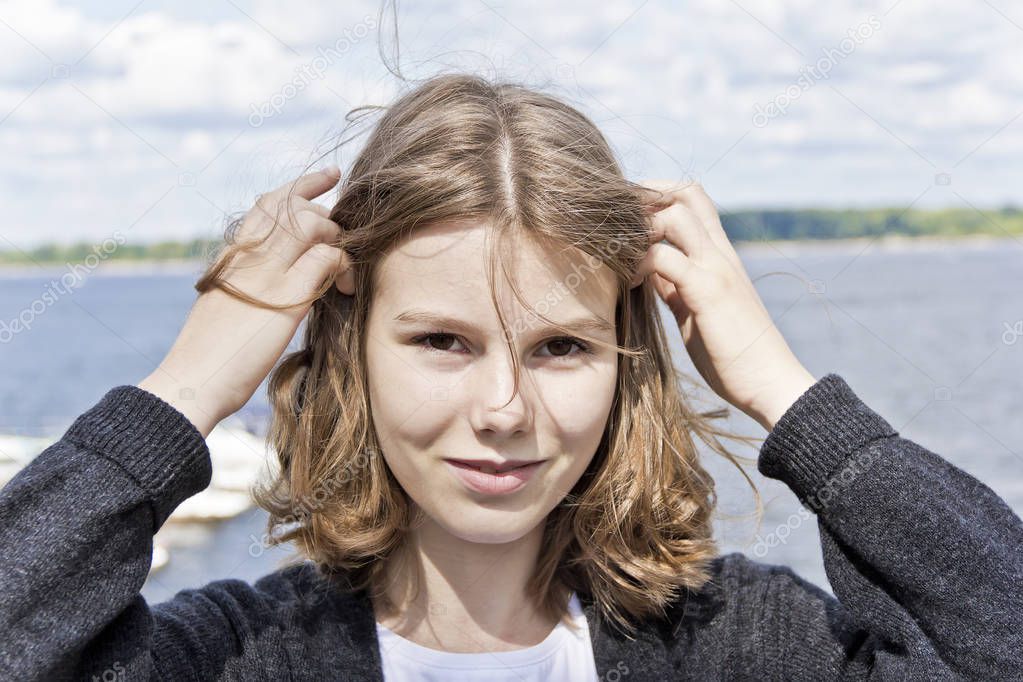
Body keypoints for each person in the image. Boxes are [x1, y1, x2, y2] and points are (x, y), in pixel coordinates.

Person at [0, 73, 1020, 682]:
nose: (503, 411)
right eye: (441, 341)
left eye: (562, 347)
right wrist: (184, 391)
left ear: (627, 364)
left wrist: (784, 391)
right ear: (352, 351)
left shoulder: (737, 642)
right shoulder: (237, 656)